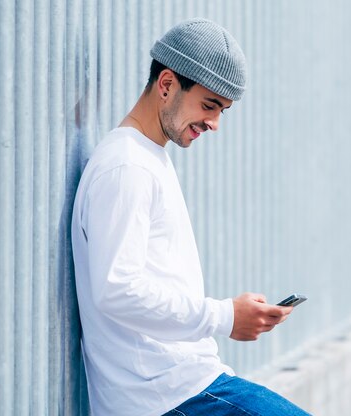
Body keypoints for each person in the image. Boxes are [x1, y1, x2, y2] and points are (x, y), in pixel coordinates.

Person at [71, 18, 310, 416]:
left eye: (223, 110)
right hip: (168, 397)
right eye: (209, 105)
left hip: (184, 389)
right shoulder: (127, 167)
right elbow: (117, 289)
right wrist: (225, 316)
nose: (215, 124)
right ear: (166, 85)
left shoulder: (147, 158)